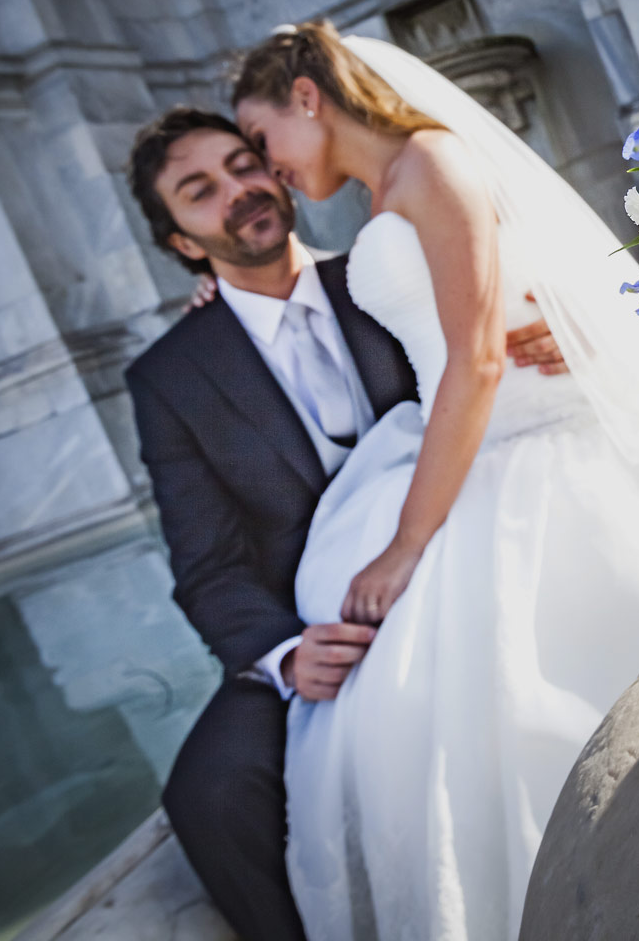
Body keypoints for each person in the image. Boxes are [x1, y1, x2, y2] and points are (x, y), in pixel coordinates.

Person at [226, 22, 639, 940]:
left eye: (260, 136)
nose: (266, 166)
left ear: (308, 99)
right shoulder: (385, 188)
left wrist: (406, 545)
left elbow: (476, 360)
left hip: (530, 441)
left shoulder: (432, 161)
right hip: (470, 441)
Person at [123, 106, 572, 941]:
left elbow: (487, 353)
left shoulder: (384, 277)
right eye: (200, 190)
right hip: (323, 624)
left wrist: (554, 336)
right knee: (210, 795)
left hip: (465, 551)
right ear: (183, 241)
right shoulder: (170, 378)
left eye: (243, 164)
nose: (238, 190)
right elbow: (208, 568)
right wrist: (288, 654)